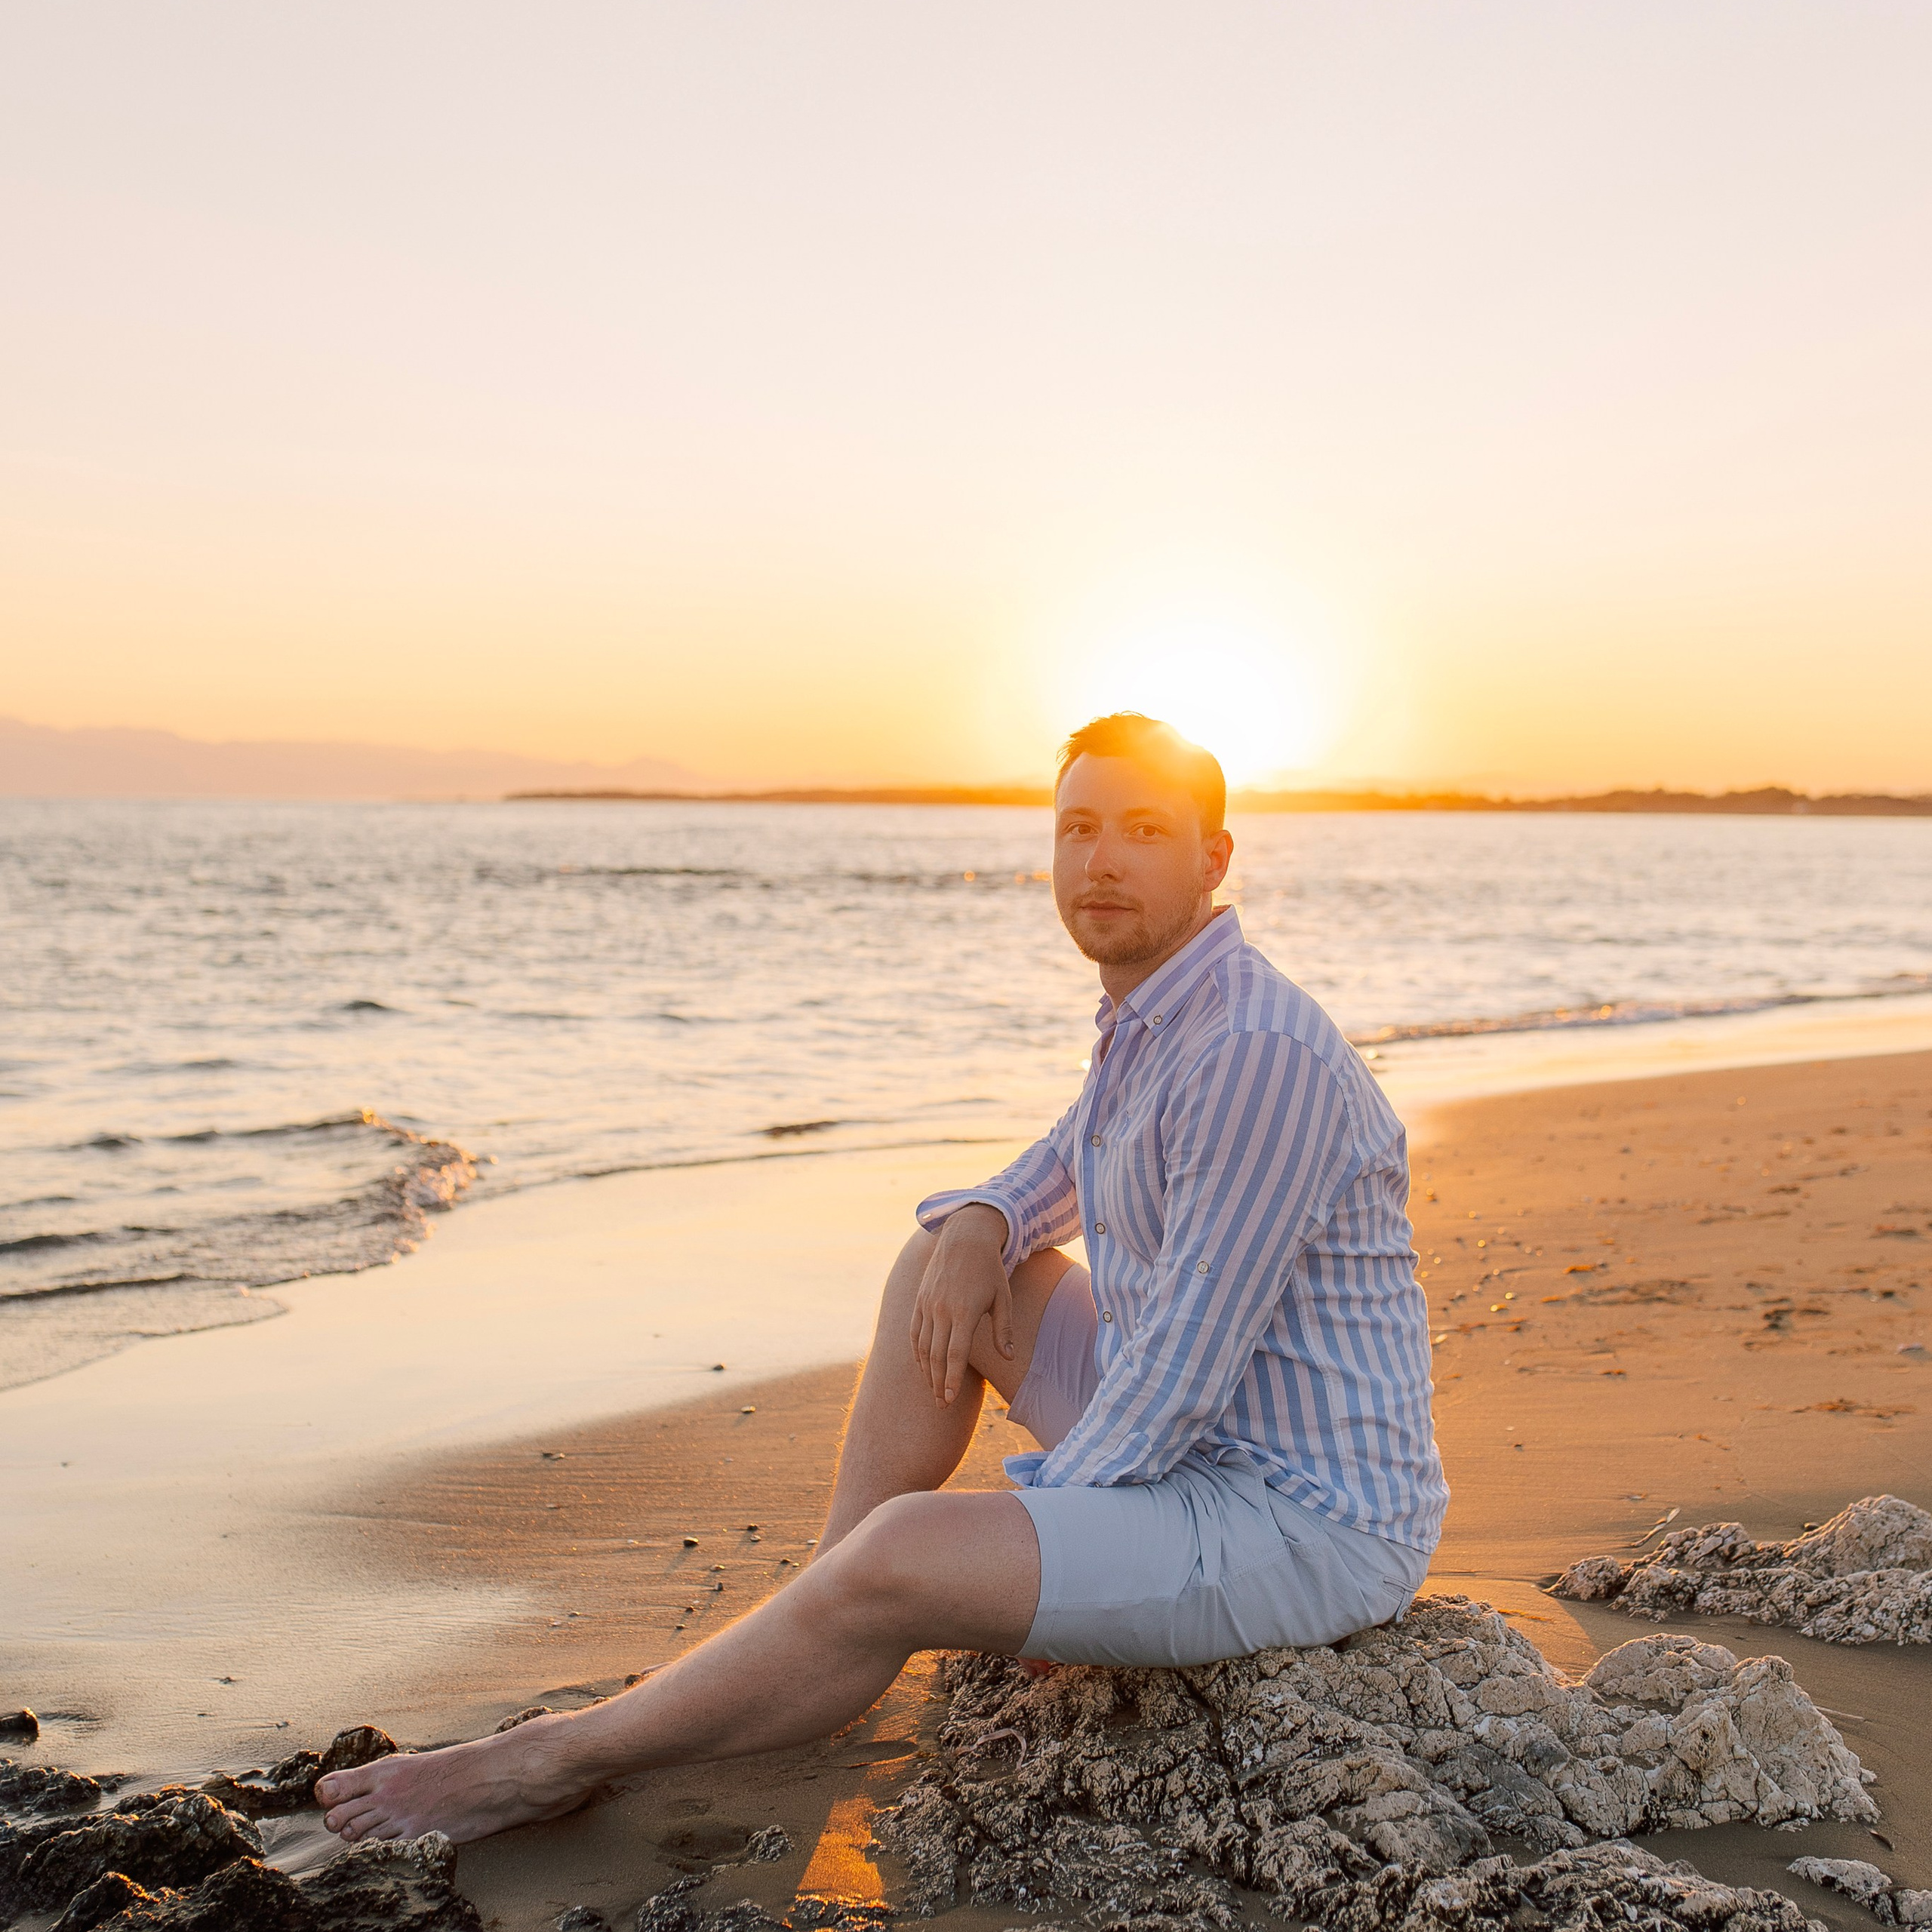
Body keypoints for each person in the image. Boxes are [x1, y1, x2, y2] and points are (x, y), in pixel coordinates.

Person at [316, 711, 1447, 1847]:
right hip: (1208, 1436)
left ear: (1212, 861)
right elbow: (1060, 1161)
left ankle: (548, 1762)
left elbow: (1181, 1376)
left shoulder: (1253, 1049)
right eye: (1077, 829)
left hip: (1300, 1517)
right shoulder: (1157, 1013)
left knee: (909, 1546)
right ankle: (822, 1623)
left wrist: (1040, 1527)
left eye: (1143, 832)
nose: (1098, 861)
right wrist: (979, 1221)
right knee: (936, 1266)